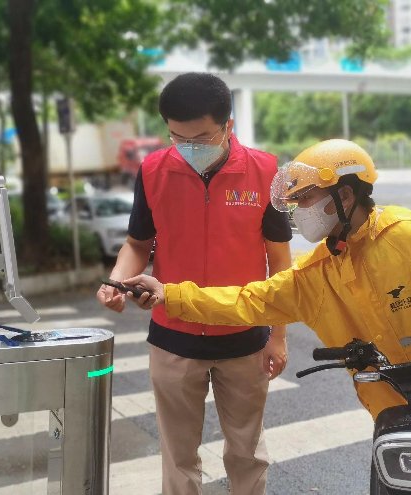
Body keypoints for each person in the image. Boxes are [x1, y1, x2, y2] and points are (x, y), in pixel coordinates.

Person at [124, 139, 411, 495]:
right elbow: (248, 301)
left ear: (343, 194)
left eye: (307, 199)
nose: (299, 213)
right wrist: (169, 294)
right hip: (409, 428)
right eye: (295, 202)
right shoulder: (317, 274)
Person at [96, 72, 292, 495]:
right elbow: (136, 243)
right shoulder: (153, 171)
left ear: (228, 127)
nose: (188, 149)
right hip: (172, 340)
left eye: (201, 138)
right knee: (178, 456)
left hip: (245, 338)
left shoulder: (266, 171)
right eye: (176, 137)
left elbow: (279, 262)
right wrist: (116, 280)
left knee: (247, 453)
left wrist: (279, 336)